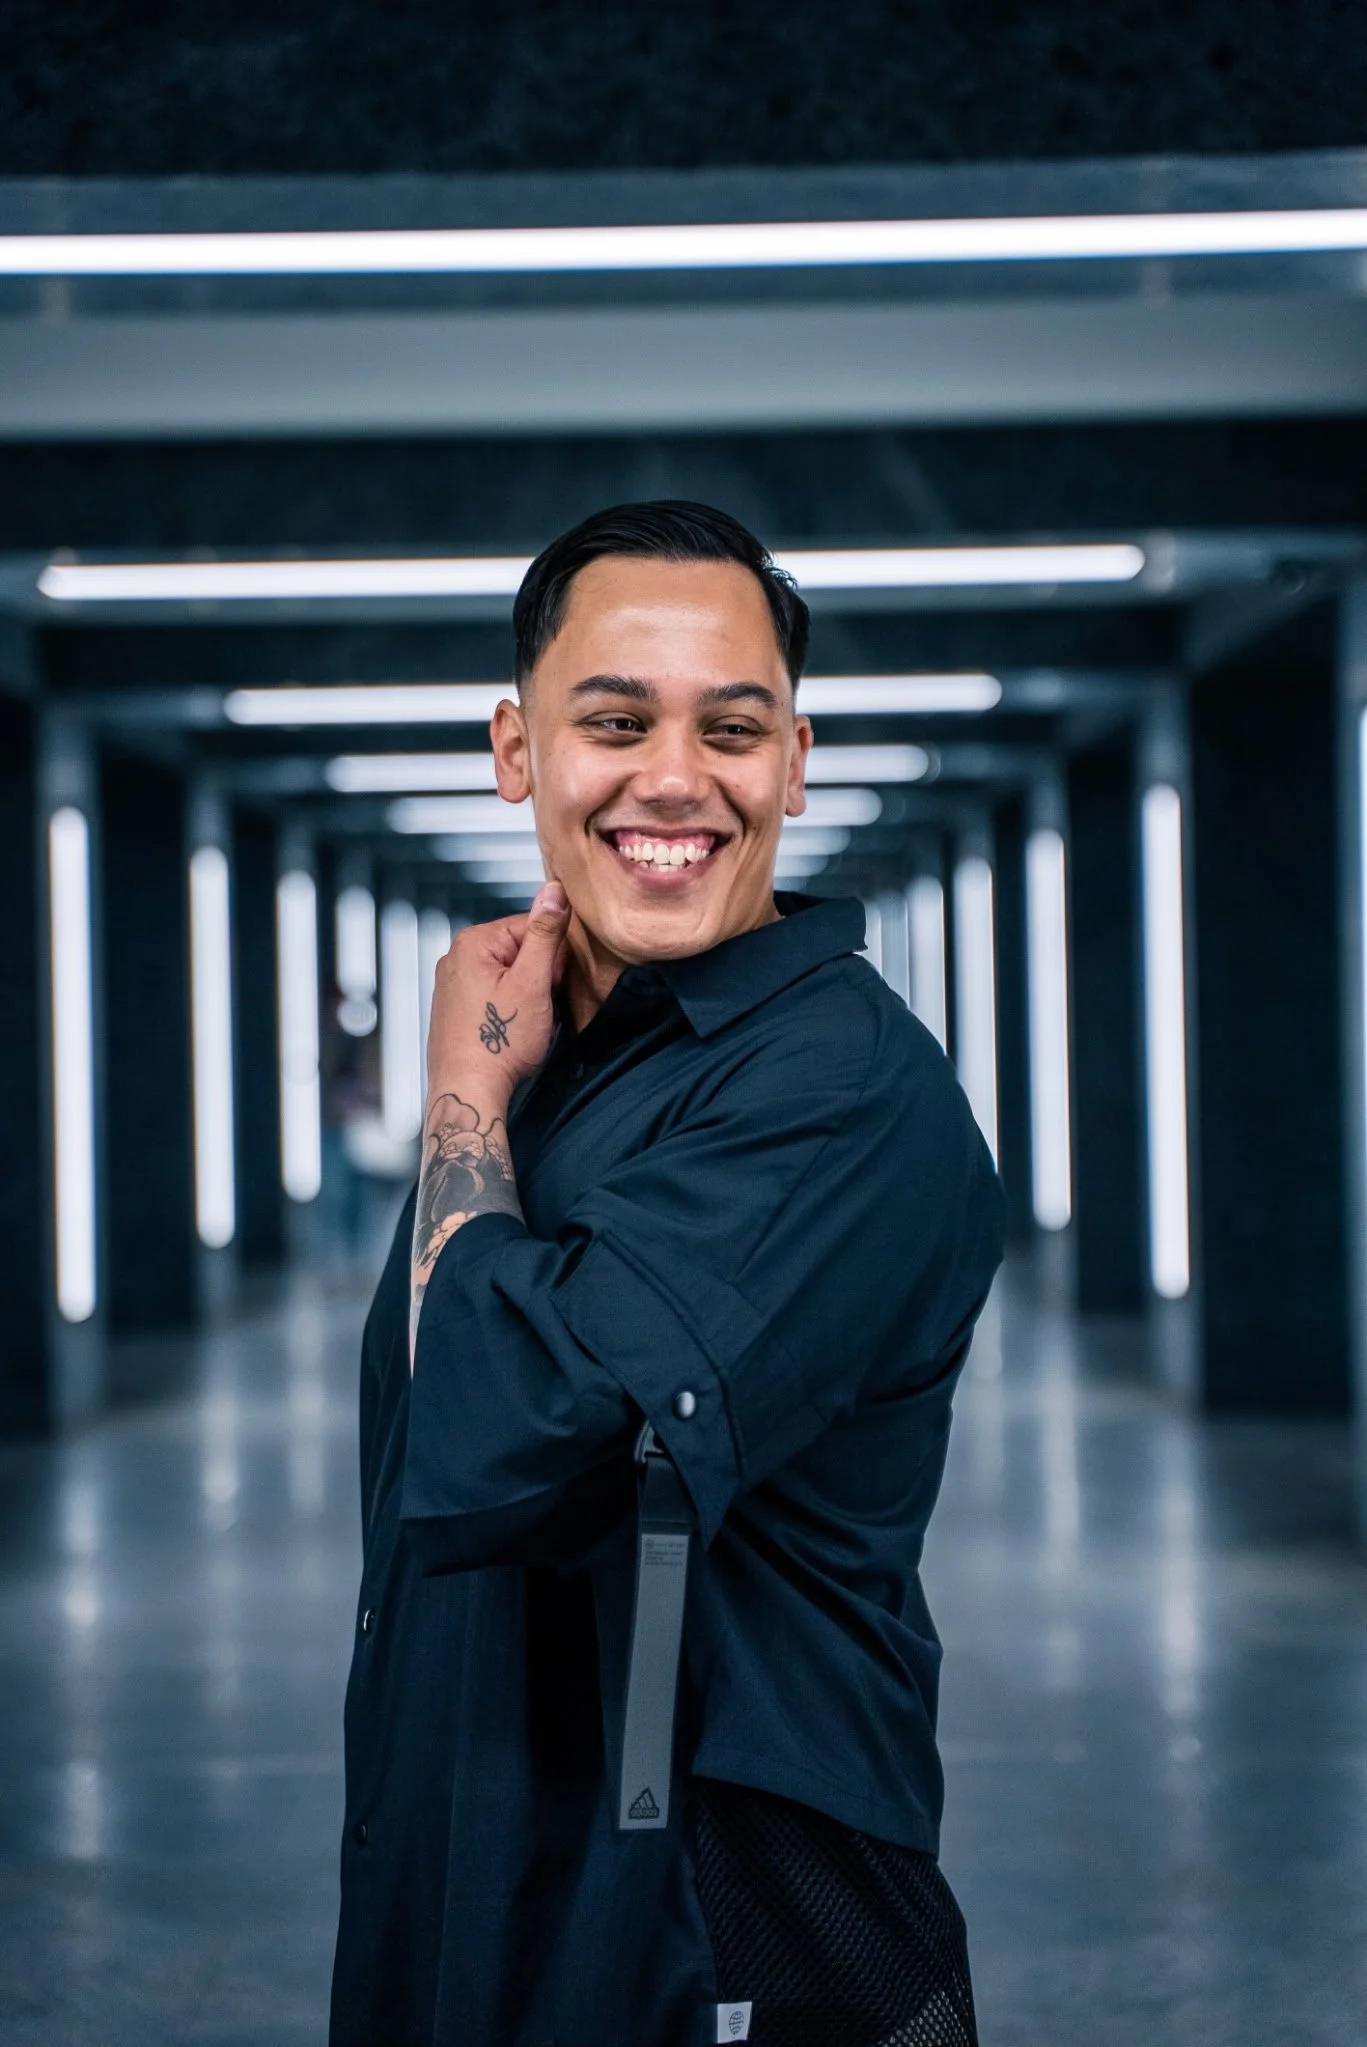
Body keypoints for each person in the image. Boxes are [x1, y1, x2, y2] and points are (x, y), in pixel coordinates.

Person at [330, 501, 1005, 2047]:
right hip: (486, 1871)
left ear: (795, 760)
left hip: (721, 1923)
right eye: (616, 721)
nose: (676, 778)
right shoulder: (559, 1062)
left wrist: (459, 1094)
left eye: (732, 727)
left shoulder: (839, 1090)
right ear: (517, 750)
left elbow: (519, 1430)